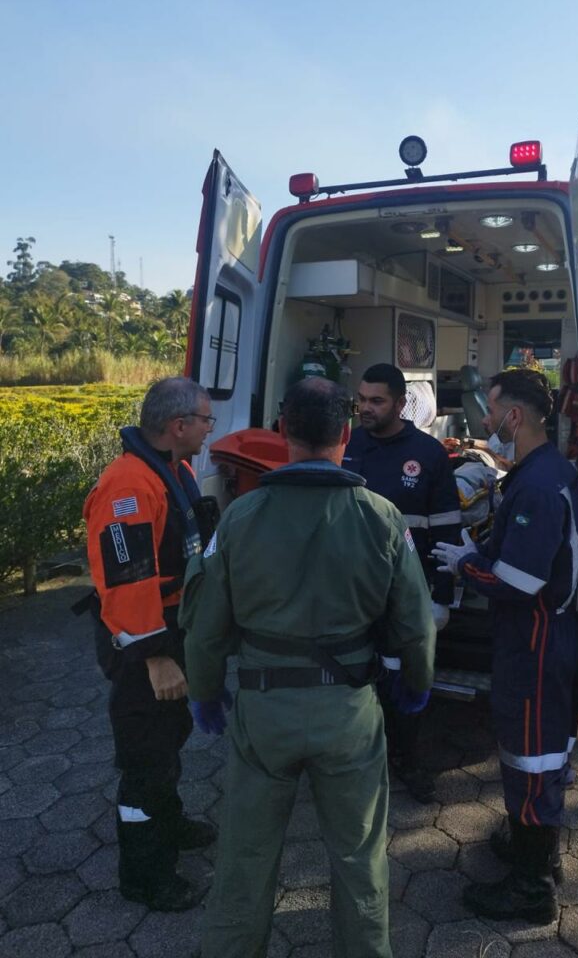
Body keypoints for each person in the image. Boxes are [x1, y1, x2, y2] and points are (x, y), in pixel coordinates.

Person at [180, 377, 435, 958]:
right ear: (346, 432)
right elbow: (416, 625)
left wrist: (204, 691)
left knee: (245, 857)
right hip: (349, 713)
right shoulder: (382, 517)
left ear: (282, 432)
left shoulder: (238, 519)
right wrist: (416, 683)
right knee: (359, 857)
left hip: (264, 712)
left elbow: (205, 627)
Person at [433, 368, 578, 926]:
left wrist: (466, 565)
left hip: (536, 637)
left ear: (514, 416)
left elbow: (519, 582)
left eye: (491, 410)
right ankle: (534, 850)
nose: (485, 421)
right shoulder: (544, 469)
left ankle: (531, 888)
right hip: (548, 632)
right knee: (544, 752)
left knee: (531, 755)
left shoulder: (538, 485)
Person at [82, 377, 220, 911]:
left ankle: (170, 817)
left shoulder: (173, 469)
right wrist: (156, 657)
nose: (211, 429)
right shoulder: (128, 486)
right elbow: (129, 581)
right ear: (178, 425)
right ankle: (145, 875)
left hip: (172, 628)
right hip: (144, 645)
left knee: (170, 737)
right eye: (206, 420)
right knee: (145, 757)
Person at [343, 363, 462, 803]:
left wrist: (443, 595)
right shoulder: (348, 445)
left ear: (399, 403)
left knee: (408, 678)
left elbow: (448, 528)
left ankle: (408, 761)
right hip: (353, 589)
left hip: (407, 591)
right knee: (356, 676)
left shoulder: (428, 454)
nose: (366, 408)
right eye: (361, 399)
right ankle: (361, 759)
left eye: (376, 401)